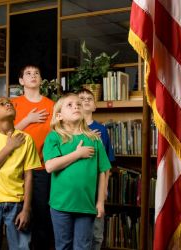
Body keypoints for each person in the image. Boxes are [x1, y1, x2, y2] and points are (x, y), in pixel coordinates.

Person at [43, 93, 111, 250]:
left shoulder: (94, 139)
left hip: (86, 205)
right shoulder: (54, 137)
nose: (76, 106)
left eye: (78, 104)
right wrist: (77, 154)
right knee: (63, 246)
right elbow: (50, 166)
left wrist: (100, 202)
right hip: (60, 206)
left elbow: (102, 171)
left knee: (83, 246)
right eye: (70, 105)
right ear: (59, 115)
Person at [0, 97, 41, 250]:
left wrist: (26, 209)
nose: (7, 104)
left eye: (10, 103)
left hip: (17, 203)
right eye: (1, 104)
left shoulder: (26, 139)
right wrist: (9, 147)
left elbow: (29, 176)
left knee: (21, 247)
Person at [11, 64, 54, 250]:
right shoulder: (13, 104)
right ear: (21, 81)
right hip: (16, 167)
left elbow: (56, 133)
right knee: (18, 215)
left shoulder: (51, 105)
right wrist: (27, 120)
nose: (33, 75)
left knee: (41, 215)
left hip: (42, 167)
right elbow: (5, 133)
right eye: (28, 73)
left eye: (37, 73)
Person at [77, 88, 115, 250]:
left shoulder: (103, 131)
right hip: (77, 188)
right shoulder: (69, 129)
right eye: (82, 98)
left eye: (89, 99)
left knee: (96, 233)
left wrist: (104, 188)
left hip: (96, 189)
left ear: (94, 107)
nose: (86, 100)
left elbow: (107, 164)